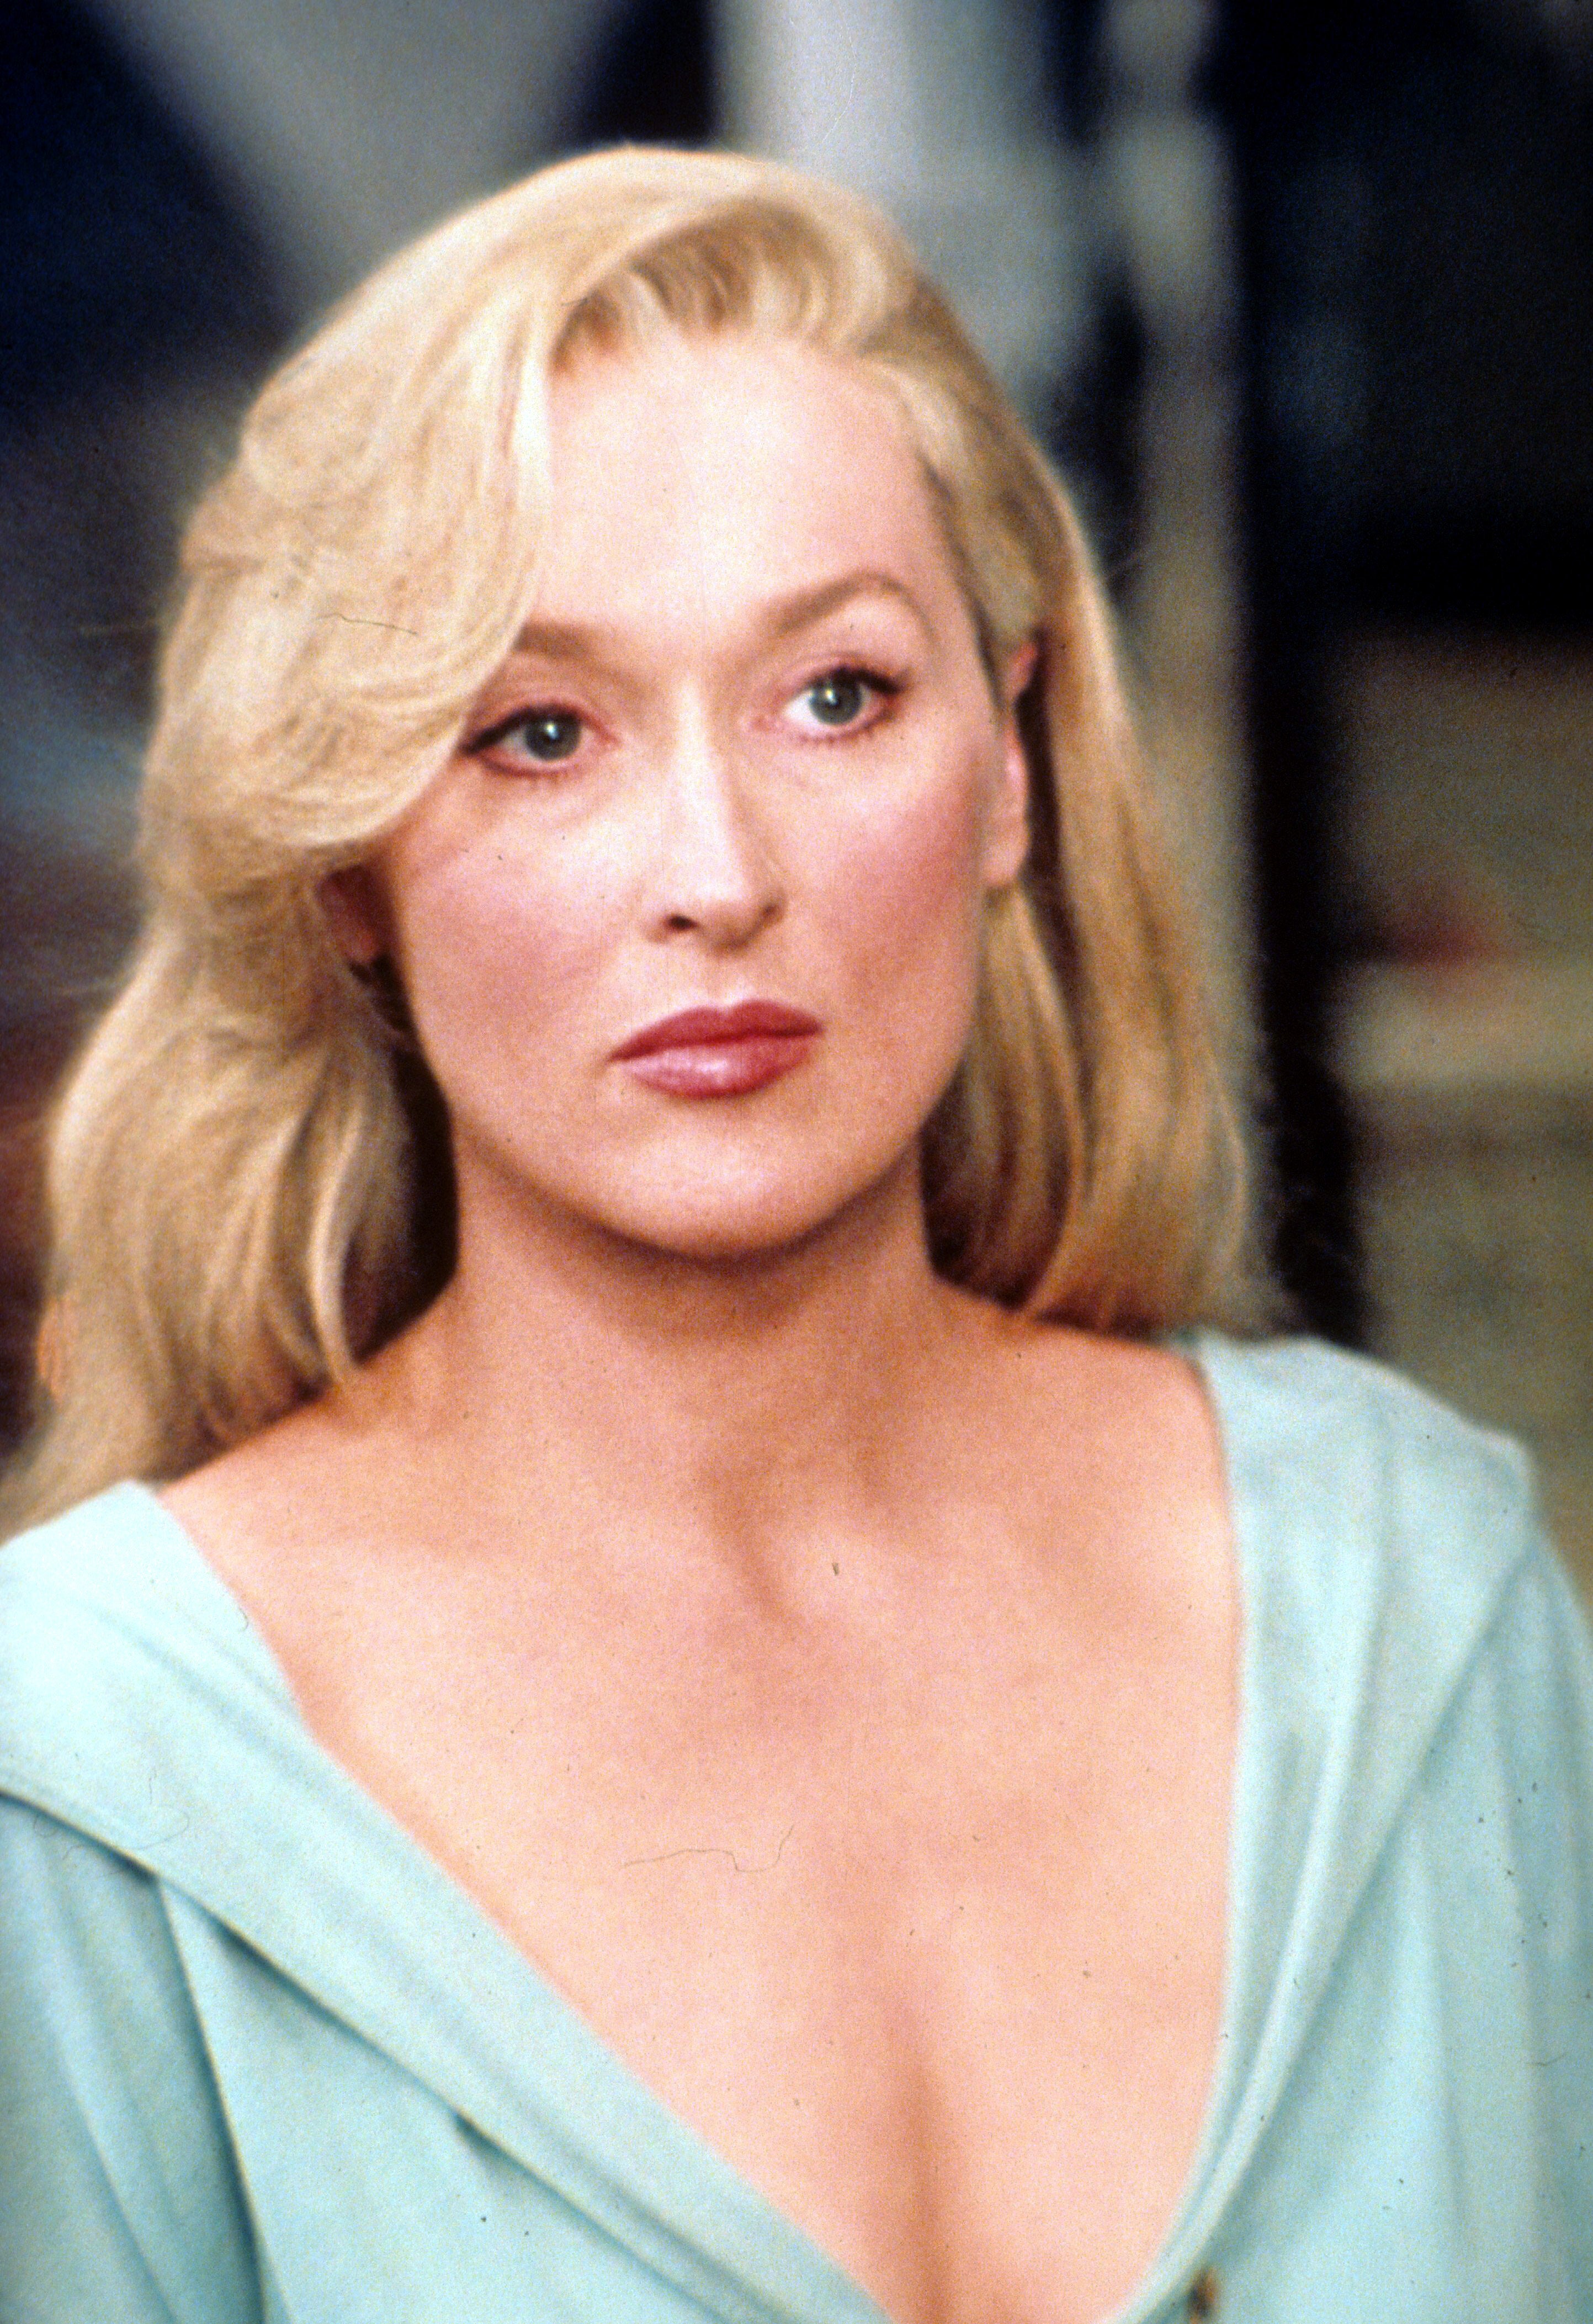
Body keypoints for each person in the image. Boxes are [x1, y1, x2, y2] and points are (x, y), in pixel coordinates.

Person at [1, 145, 1589, 2324]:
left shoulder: (1416, 1594)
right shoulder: (90, 1766)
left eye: (833, 695)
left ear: (1008, 760)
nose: (718, 872)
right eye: (539, 735)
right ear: (348, 862)